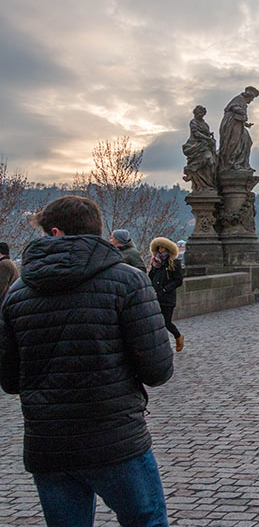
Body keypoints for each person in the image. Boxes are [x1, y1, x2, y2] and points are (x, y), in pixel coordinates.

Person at [0, 195, 174, 525]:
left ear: (55, 233)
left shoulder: (17, 293)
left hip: (49, 445)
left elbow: (9, 381)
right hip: (115, 440)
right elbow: (158, 370)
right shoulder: (129, 281)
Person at [148, 237, 186, 352]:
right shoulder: (155, 262)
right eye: (158, 247)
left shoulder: (174, 262)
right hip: (155, 297)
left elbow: (178, 280)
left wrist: (165, 289)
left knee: (166, 322)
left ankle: (178, 336)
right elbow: (151, 278)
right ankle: (159, 345)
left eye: (162, 247)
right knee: (155, 322)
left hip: (167, 298)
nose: (160, 250)